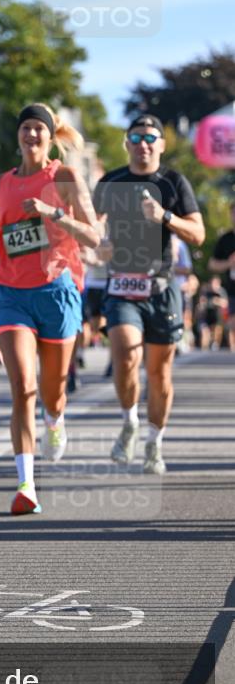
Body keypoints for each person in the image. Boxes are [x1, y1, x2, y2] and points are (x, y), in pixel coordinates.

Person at [0, 103, 100, 516]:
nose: (31, 136)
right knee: (22, 387)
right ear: (18, 134)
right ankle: (25, 484)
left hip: (56, 290)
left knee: (52, 392)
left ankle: (56, 420)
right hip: (12, 293)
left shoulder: (63, 176)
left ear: (49, 136)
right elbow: (3, 231)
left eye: (38, 130)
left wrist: (52, 213)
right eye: (25, 128)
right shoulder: (4, 182)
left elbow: (93, 235)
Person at [93, 113, 205, 475]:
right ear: (126, 143)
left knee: (159, 373)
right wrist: (99, 245)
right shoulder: (110, 181)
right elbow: (91, 231)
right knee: (125, 354)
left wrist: (165, 217)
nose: (143, 144)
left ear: (162, 144)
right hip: (122, 285)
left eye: (150, 137)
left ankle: (155, 443)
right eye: (136, 138)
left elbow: (199, 234)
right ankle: (129, 422)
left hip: (161, 286)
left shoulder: (173, 182)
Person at [208, 202, 235, 351]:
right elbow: (212, 264)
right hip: (232, 289)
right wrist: (229, 263)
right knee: (232, 322)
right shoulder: (225, 239)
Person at [194, 276, 228, 350]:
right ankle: (204, 349)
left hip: (217, 315)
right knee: (205, 332)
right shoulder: (206, 291)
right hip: (206, 315)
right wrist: (211, 302)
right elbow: (201, 302)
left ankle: (215, 345)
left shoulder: (221, 291)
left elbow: (225, 303)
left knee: (217, 330)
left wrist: (217, 301)